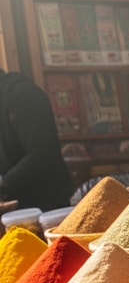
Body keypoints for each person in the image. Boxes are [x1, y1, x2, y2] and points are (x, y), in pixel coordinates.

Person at [0, 68, 73, 212]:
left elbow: (43, 153)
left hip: (43, 205)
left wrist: (3, 183)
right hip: (11, 206)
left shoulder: (23, 94)